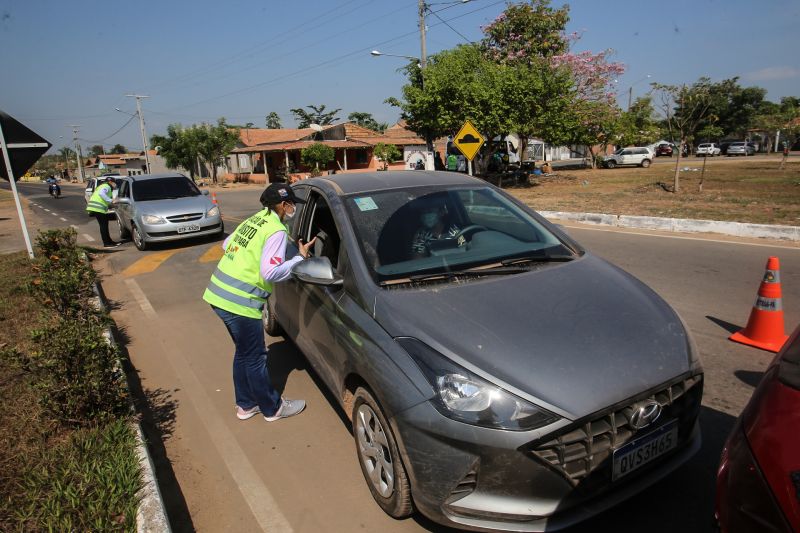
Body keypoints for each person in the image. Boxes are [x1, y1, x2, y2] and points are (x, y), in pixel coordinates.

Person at [203, 183, 316, 422]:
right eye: (291, 203)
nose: (293, 207)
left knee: (244, 353)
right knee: (255, 357)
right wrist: (298, 258)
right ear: (283, 205)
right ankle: (272, 408)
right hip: (241, 302)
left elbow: (227, 245)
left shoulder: (257, 219)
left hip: (218, 295)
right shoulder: (276, 229)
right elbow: (270, 273)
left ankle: (245, 405)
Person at [85, 176, 121, 247]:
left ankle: (109, 241)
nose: (115, 184)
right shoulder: (106, 186)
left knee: (104, 225)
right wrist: (111, 200)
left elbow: (103, 199)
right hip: (98, 208)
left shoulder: (102, 186)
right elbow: (101, 194)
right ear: (110, 182)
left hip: (96, 207)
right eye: (114, 183)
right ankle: (107, 243)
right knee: (103, 226)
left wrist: (112, 205)